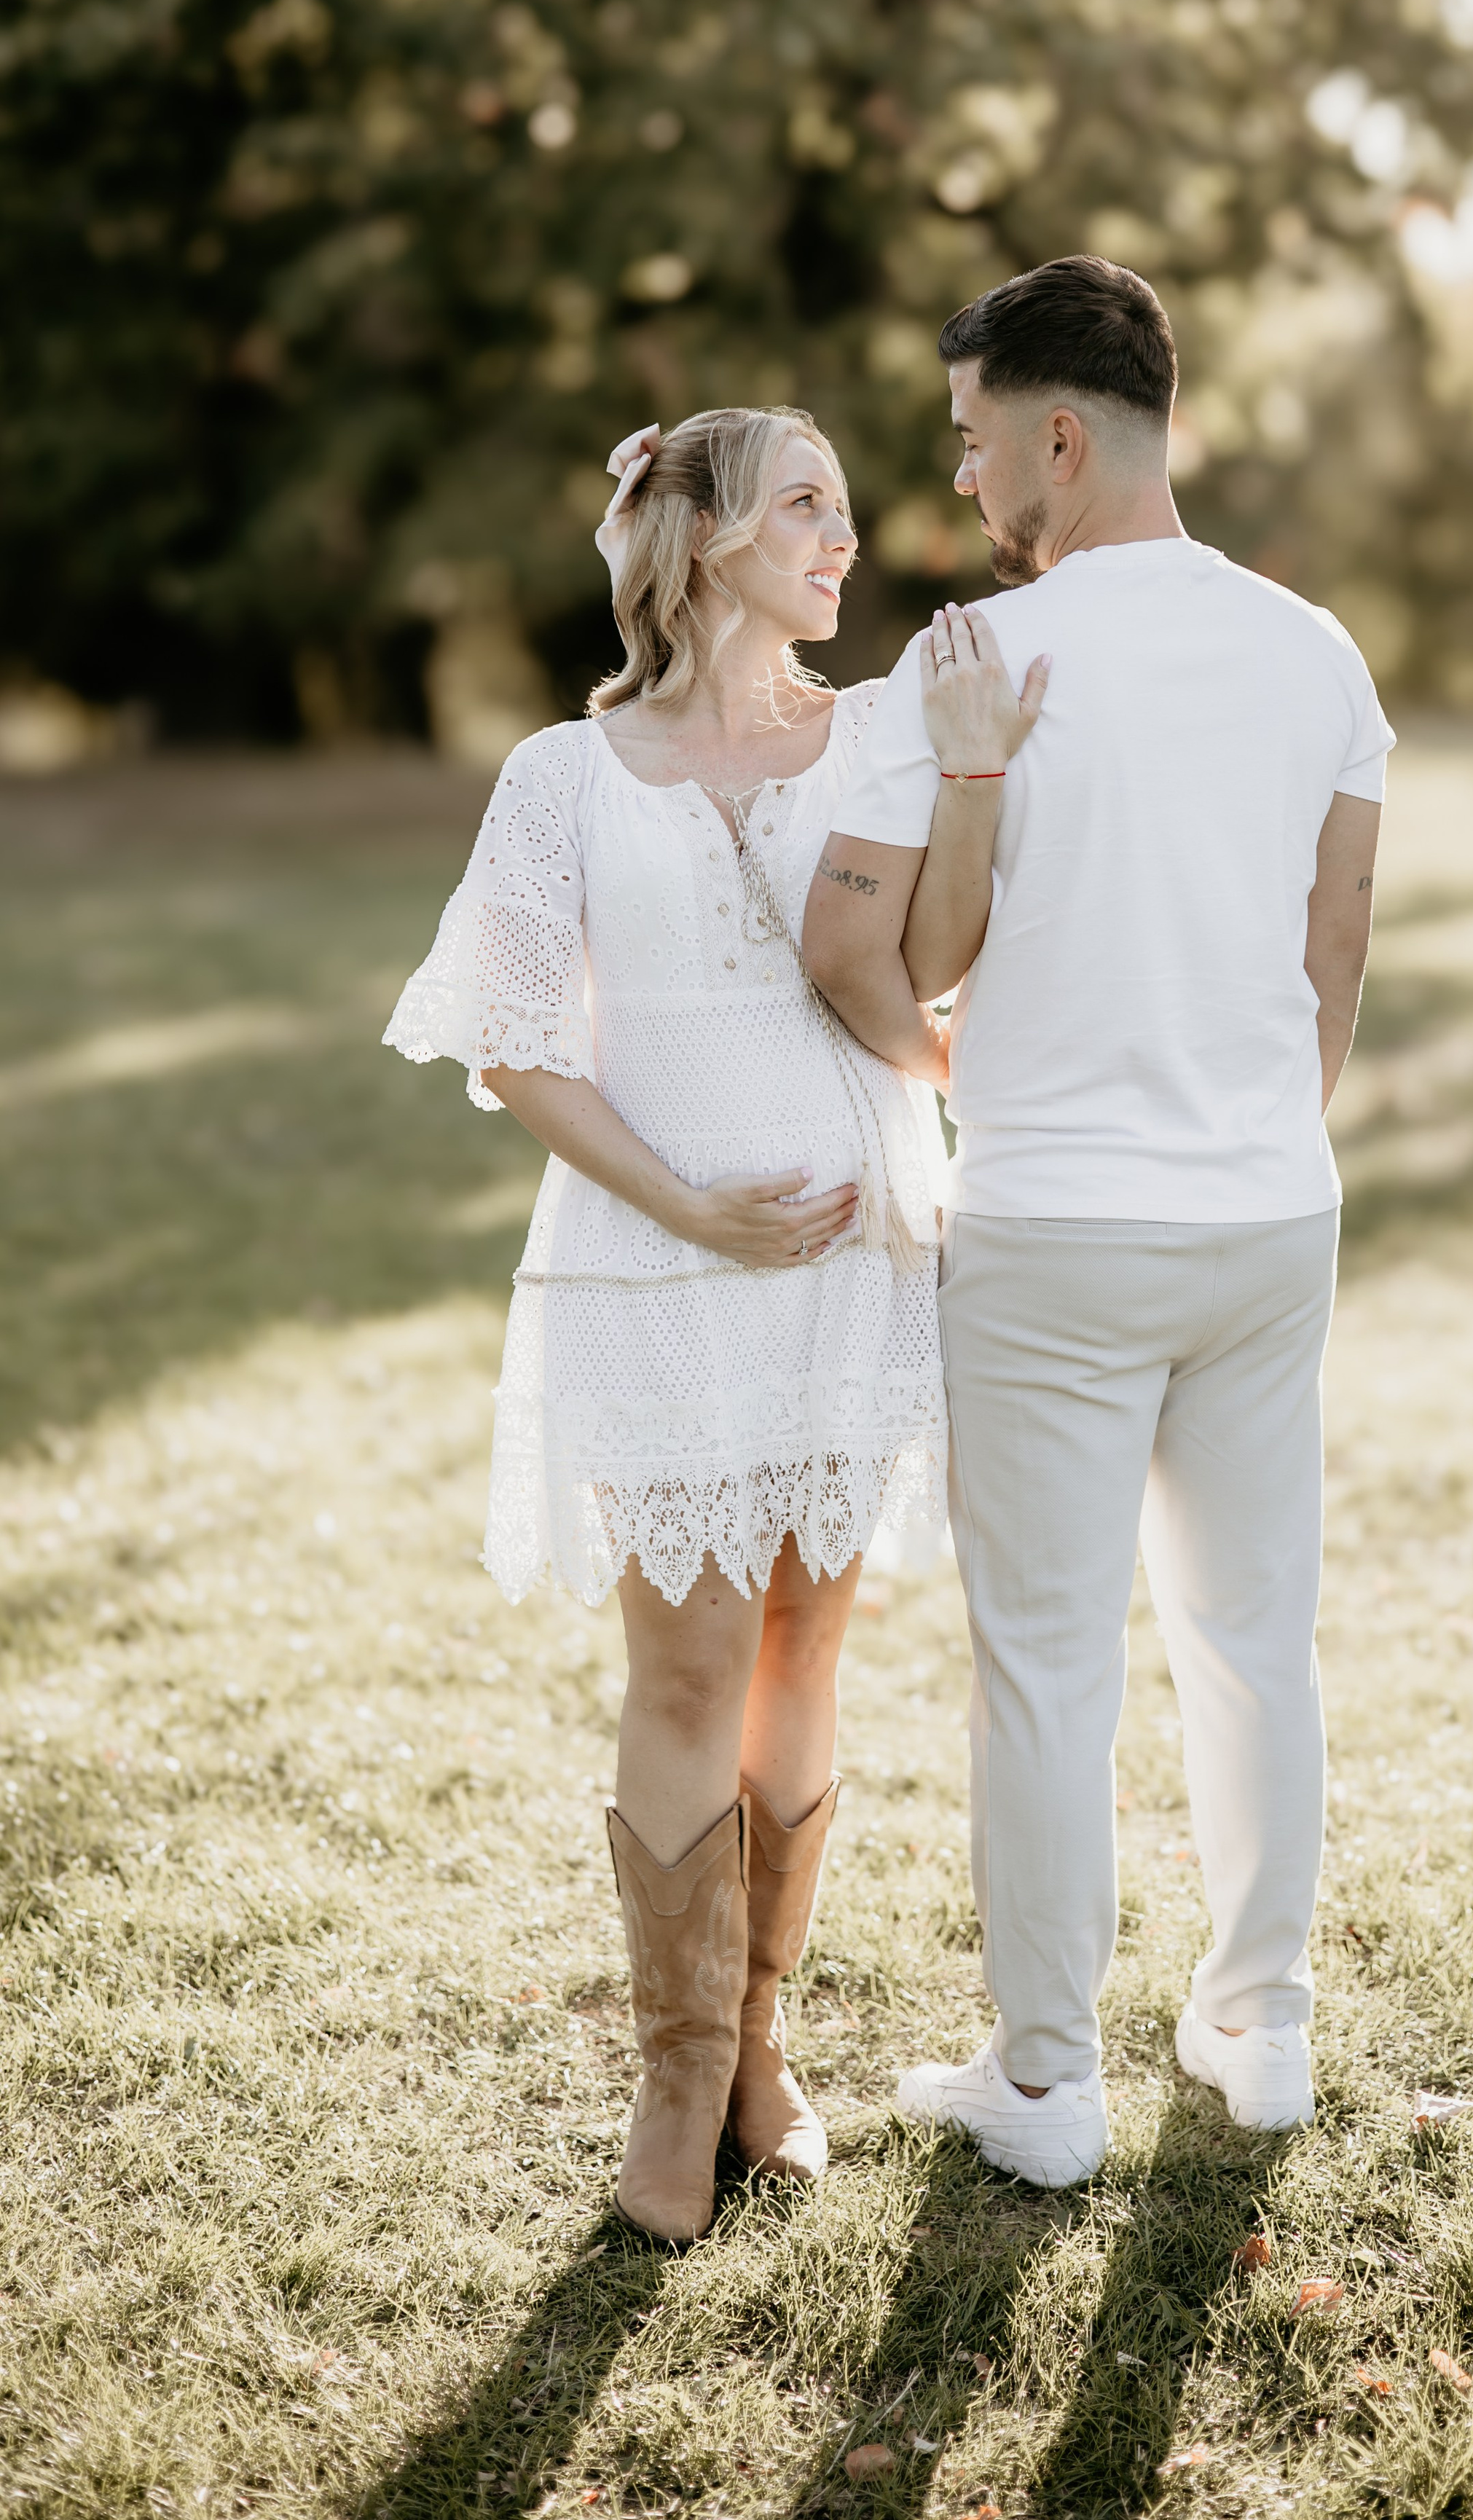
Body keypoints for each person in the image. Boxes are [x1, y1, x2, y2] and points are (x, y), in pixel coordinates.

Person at [384, 406, 1032, 2242]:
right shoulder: (560, 777)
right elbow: (513, 1047)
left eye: (843, 507)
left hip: (858, 1260)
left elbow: (934, 966)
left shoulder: (892, 727)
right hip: (661, 1264)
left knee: (803, 1657)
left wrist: (977, 779)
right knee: (682, 1665)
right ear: (704, 537)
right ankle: (672, 2077)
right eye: (804, 507)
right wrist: (687, 1204)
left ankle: (759, 2042)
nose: (845, 538)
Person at [802, 258, 1393, 2188]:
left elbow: (895, 955)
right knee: (1255, 1634)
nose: (967, 489)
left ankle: (1049, 2083)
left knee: (1048, 1661)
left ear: (1062, 433)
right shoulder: (1318, 653)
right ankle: (1262, 2022)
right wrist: (1249, 1150)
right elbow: (1337, 961)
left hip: (1054, 1220)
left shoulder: (964, 665)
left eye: (976, 446)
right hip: (1266, 1217)